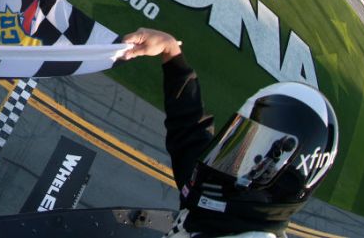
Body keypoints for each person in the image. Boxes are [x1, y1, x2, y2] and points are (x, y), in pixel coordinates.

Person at [122, 28, 339, 238]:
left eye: (258, 153)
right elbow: (190, 133)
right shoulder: (223, 204)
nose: (240, 156)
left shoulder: (233, 213)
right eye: (243, 136)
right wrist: (171, 53)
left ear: (284, 177)